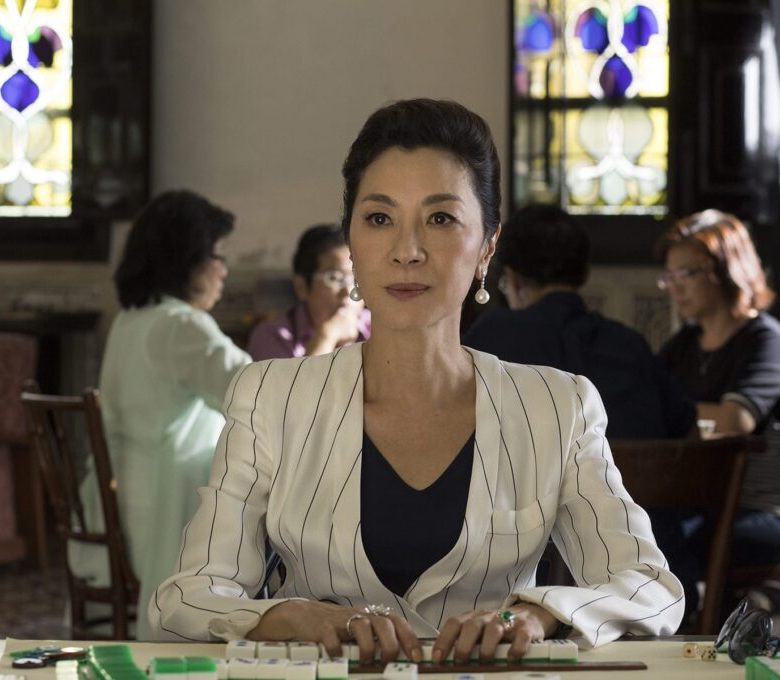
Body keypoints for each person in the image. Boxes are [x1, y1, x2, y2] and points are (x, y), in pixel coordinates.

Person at [151, 100, 683, 660]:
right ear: (351, 242)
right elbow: (185, 597)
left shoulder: (558, 405)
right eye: (379, 219)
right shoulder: (269, 397)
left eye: (441, 218)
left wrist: (537, 614)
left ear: (487, 247)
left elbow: (651, 588)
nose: (407, 251)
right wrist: (291, 615)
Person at [70, 190, 252, 640]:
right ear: (188, 258)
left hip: (119, 504)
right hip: (163, 512)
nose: (224, 270)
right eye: (218, 256)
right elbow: (253, 391)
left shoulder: (130, 320)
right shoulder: (179, 324)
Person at [464, 204, 696, 440]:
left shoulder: (492, 337)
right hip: (638, 477)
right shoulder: (630, 344)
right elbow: (688, 430)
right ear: (584, 276)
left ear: (512, 279)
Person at [656, 209, 780, 601]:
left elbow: (735, 419)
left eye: (687, 275)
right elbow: (649, 404)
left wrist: (680, 410)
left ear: (727, 271)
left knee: (662, 540)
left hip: (758, 509)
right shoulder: (683, 346)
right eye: (670, 278)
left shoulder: (765, 339)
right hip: (696, 501)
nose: (676, 288)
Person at [247, 224, 371, 359]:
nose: (349, 292)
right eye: (335, 278)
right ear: (302, 287)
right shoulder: (271, 336)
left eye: (357, 278)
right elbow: (300, 381)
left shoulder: (381, 328)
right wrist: (327, 336)